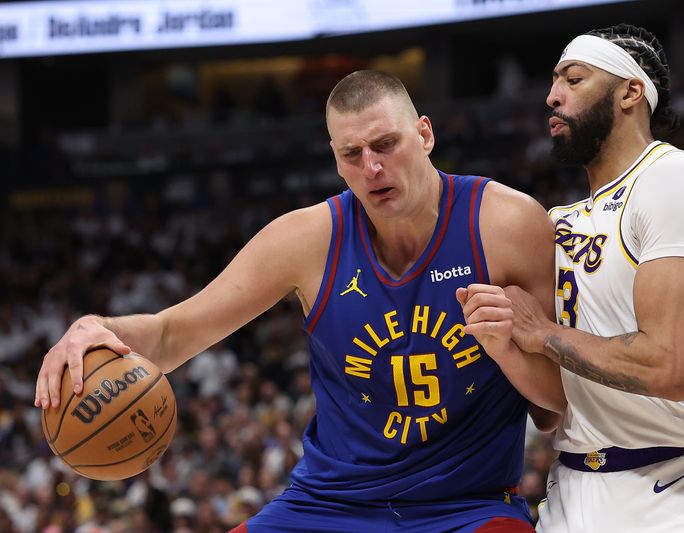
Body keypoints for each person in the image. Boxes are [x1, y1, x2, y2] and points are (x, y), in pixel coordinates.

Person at [35, 70, 565, 532]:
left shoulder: (506, 224)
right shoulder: (307, 239)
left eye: (386, 145)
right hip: (327, 505)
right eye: (352, 154)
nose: (372, 168)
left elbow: (552, 408)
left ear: (425, 133)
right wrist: (93, 327)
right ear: (335, 161)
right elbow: (175, 334)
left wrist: (509, 350)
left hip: (467, 508)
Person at [459, 24, 684, 533]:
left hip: (676, 484)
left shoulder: (671, 179)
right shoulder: (555, 221)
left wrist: (543, 333)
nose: (551, 96)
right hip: (572, 487)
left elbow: (669, 368)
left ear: (631, 91)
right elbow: (552, 409)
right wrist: (505, 344)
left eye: (573, 79)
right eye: (554, 81)